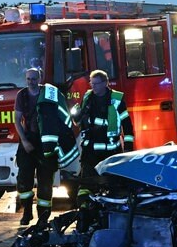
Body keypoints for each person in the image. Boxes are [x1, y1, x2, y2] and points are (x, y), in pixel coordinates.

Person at [13, 68, 75, 226]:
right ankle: (27, 213)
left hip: (46, 143)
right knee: (24, 180)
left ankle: (43, 217)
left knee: (45, 182)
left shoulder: (50, 93)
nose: (30, 82)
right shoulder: (22, 95)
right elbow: (17, 120)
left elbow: (62, 113)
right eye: (28, 79)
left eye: (33, 79)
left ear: (39, 78)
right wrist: (25, 142)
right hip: (29, 141)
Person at [73, 69, 134, 207]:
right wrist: (76, 117)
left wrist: (129, 150)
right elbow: (79, 122)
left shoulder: (117, 100)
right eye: (91, 83)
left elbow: (127, 126)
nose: (92, 86)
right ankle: (85, 214)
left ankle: (110, 214)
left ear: (105, 83)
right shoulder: (87, 97)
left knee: (113, 186)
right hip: (89, 152)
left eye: (96, 83)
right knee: (86, 186)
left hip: (111, 152)